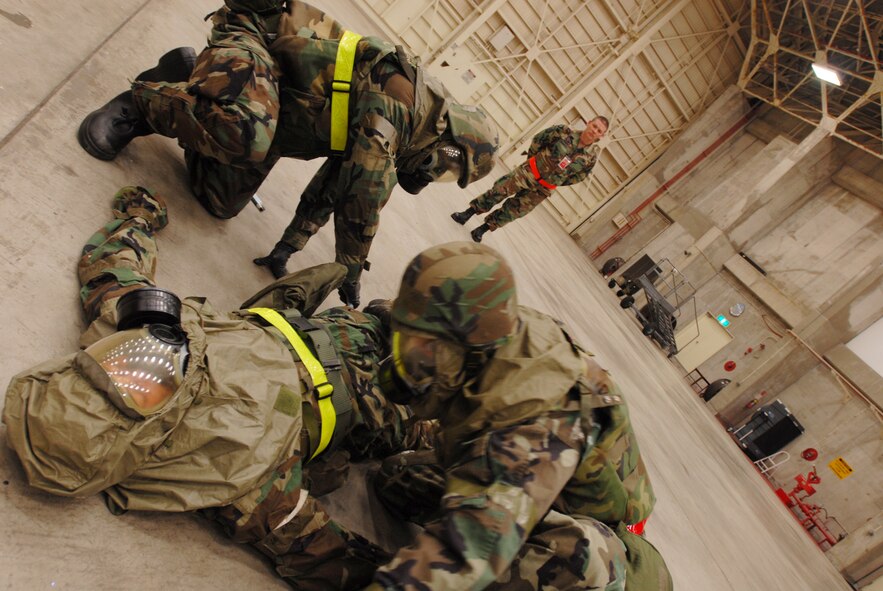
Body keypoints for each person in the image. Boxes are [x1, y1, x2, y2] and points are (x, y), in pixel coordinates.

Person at [2, 186, 435, 590]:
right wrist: (141, 214)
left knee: (404, 376)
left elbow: (325, 552)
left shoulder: (235, 483)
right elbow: (115, 267)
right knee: (415, 418)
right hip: (354, 377)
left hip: (343, 360)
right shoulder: (235, 482)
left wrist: (140, 218)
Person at [77, 0, 499, 308]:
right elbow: (361, 194)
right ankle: (141, 104)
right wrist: (351, 268)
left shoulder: (407, 135)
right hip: (256, 40)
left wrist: (288, 246)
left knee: (219, 200)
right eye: (449, 169)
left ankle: (193, 80)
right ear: (449, 144)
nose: (437, 175)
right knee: (246, 134)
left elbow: (334, 186)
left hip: (274, 99)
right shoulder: (401, 102)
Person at [362, 241, 672, 590]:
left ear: (467, 348)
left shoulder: (536, 424)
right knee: (400, 479)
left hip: (604, 538)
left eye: (425, 348)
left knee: (565, 562)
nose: (412, 358)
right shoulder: (493, 325)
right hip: (543, 482)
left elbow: (468, 550)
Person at [452, 116, 608, 242]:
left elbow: (578, 177)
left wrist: (557, 181)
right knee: (498, 191)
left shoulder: (590, 159)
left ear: (601, 136)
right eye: (594, 126)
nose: (594, 131)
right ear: (588, 123)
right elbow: (539, 140)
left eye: (599, 130)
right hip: (528, 172)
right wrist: (532, 161)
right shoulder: (563, 132)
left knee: (514, 210)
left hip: (543, 189)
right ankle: (467, 213)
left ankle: (482, 229)